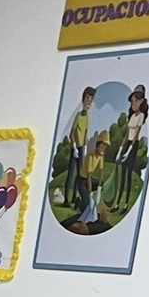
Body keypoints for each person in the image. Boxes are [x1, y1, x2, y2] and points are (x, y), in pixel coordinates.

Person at [63, 86, 95, 219]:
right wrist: (74, 147)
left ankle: (75, 198)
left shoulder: (87, 117)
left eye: (91, 100)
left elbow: (86, 133)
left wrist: (85, 148)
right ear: (83, 100)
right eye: (87, 99)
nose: (88, 102)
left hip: (82, 148)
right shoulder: (78, 116)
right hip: (75, 147)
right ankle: (66, 199)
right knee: (71, 173)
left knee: (80, 175)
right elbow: (71, 133)